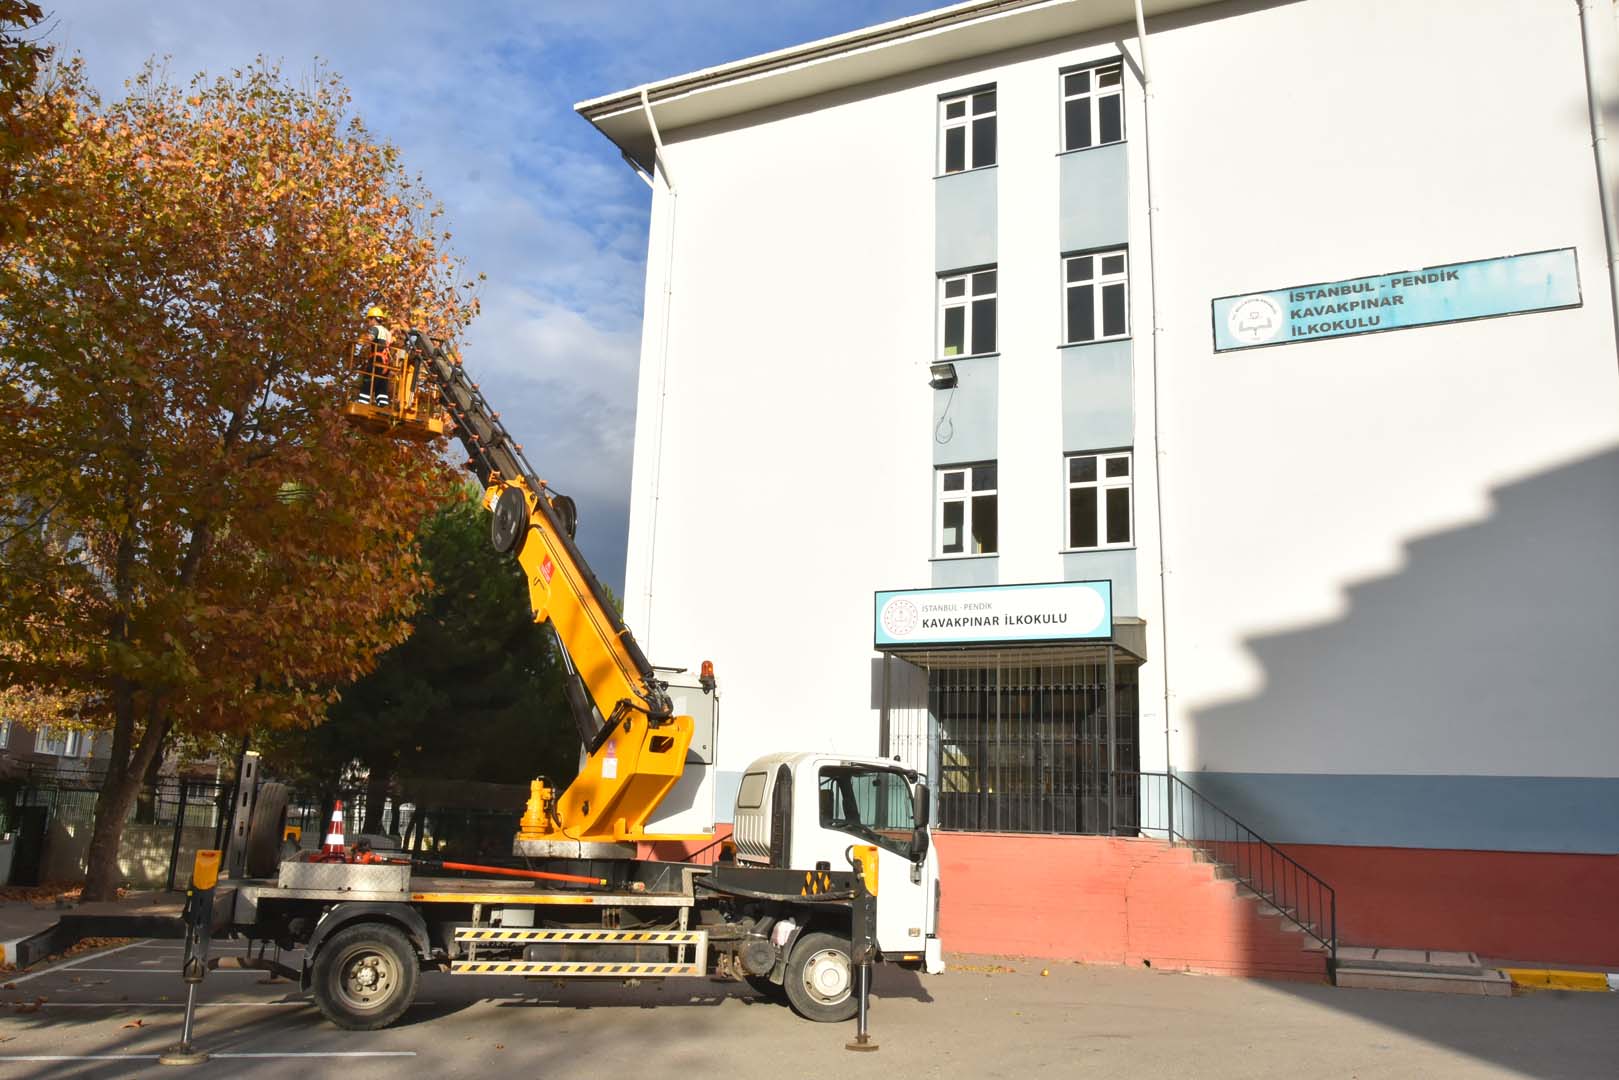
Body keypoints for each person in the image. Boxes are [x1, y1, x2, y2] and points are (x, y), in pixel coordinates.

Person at [357, 305, 393, 407]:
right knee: (381, 383)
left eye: (369, 319)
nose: (368, 322)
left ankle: (362, 403)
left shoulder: (375, 329)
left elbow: (370, 338)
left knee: (368, 380)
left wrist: (362, 341)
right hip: (385, 362)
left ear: (374, 319)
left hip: (376, 359)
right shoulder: (386, 331)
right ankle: (383, 404)